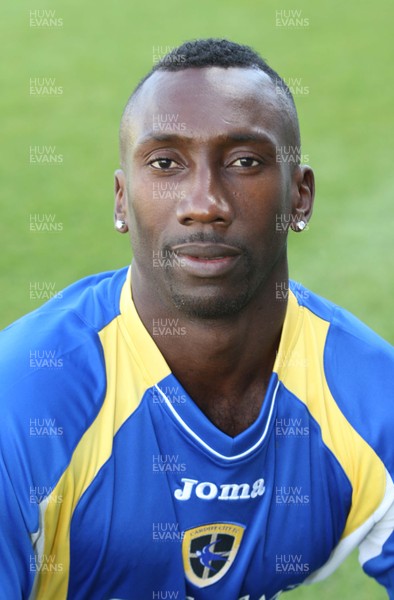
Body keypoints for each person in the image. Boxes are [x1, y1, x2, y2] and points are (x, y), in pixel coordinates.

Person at [0, 38, 393, 600]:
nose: (204, 202)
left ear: (300, 197)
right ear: (121, 201)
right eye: (165, 163)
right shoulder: (22, 404)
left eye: (244, 162)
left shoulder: (372, 400)